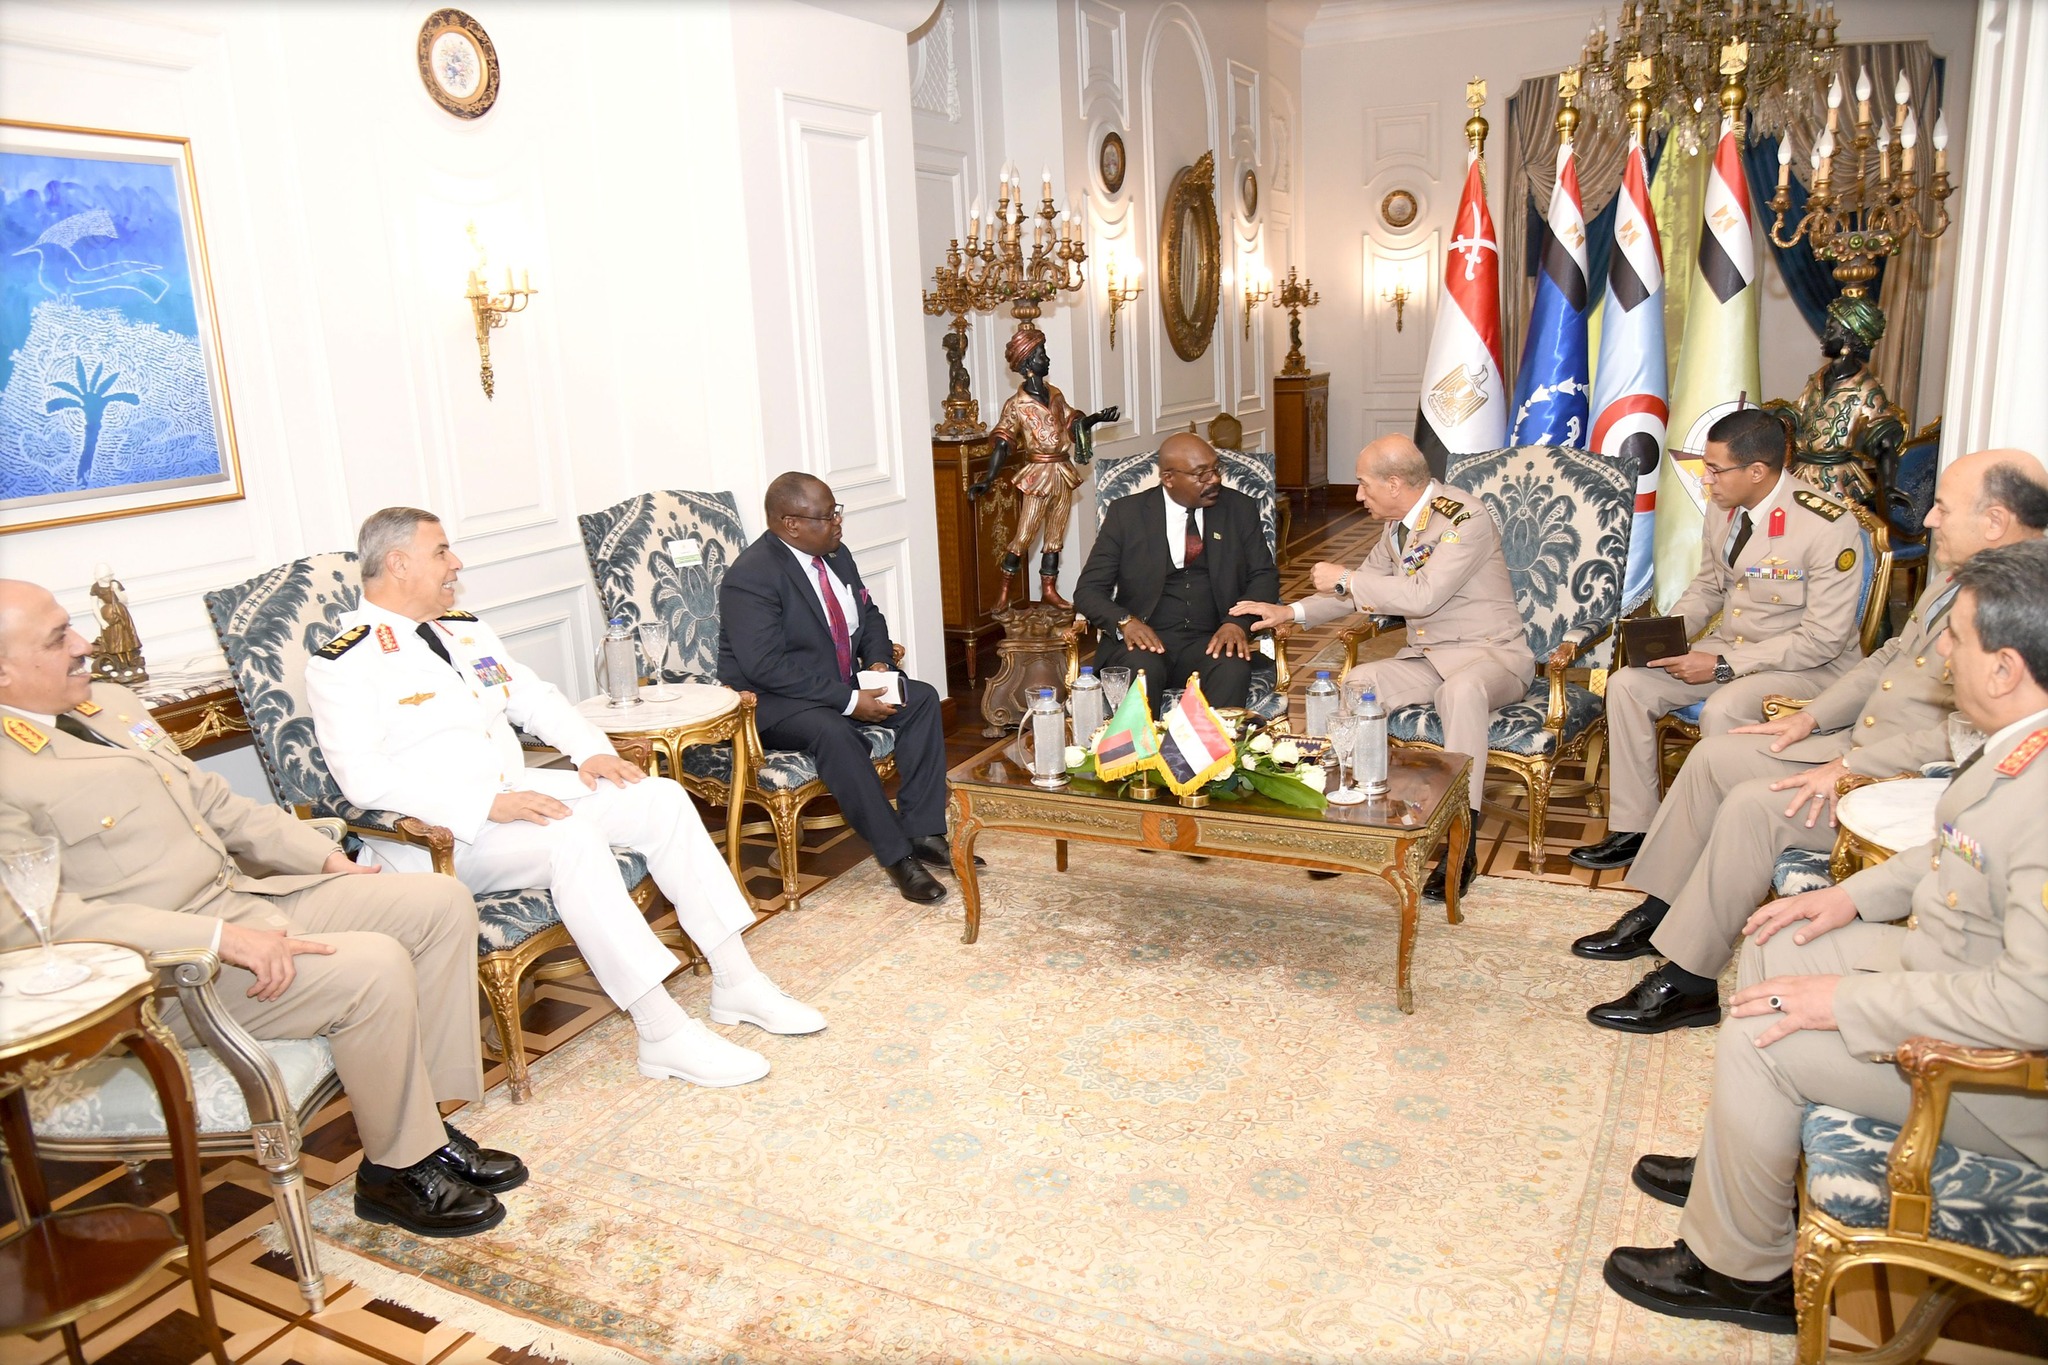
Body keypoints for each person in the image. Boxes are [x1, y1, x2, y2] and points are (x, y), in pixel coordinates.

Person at [1603, 539, 2048, 1334]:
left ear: (2007, 667)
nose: (1943, 651)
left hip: (1997, 1082)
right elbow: (1952, 850)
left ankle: (1741, 1273)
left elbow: (2027, 1006)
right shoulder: (2021, 744)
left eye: (1958, 638)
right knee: (1782, 936)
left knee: (1763, 1034)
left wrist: (1845, 1002)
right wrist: (1848, 897)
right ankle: (1747, 1175)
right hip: (1947, 967)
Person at [0, 578, 516, 1239]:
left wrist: (323, 858)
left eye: (72, 625)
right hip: (167, 969)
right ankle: (396, 1171)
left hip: (241, 898)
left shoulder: (110, 703)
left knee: (438, 902)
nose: (85, 643)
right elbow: (36, 922)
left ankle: (426, 1131)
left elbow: (216, 804)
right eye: (58, 638)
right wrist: (222, 938)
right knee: (374, 965)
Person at [307, 509, 823, 1093]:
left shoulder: (462, 630)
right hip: (445, 838)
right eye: (442, 552)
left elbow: (534, 699)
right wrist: (484, 805)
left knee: (659, 798)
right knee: (571, 839)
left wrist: (591, 752)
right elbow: (363, 780)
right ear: (398, 564)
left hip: (517, 798)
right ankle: (661, 1031)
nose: (456, 564)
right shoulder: (345, 664)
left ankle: (737, 980)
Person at [1570, 451, 2048, 1035]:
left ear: (1995, 521)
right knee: (1714, 756)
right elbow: (1888, 660)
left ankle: (1690, 983)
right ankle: (1661, 909)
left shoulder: (2027, 606)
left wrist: (1850, 762)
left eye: (1943, 508)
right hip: (1856, 738)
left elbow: (1968, 737)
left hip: (1902, 777)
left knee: (1753, 806)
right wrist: (1809, 719)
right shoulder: (1963, 578)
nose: (1927, 519)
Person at [1234, 433, 1533, 900]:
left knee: (1460, 691)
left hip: (1491, 656)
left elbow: (1421, 596)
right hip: (1430, 658)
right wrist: (1289, 612)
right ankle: (1348, 818)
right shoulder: (1398, 526)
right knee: (1358, 682)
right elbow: (1357, 592)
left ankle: (1461, 841)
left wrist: (1346, 576)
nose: (1358, 495)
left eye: (1363, 484)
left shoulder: (1464, 518)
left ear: (1394, 484)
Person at [1571, 407, 1865, 871]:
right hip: (1733, 646)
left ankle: (1719, 837)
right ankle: (1636, 827)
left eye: (1714, 469)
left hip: (1807, 666)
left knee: (1723, 707)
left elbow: (1823, 639)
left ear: (1757, 471)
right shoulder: (1724, 505)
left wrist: (1722, 665)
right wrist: (1667, 634)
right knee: (1628, 685)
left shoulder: (1826, 525)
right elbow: (1710, 586)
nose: (1706, 480)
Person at [717, 473, 961, 905]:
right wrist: (849, 701)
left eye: (837, 513)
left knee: (922, 698)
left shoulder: (835, 554)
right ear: (791, 524)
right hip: (774, 702)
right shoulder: (752, 576)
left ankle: (923, 831)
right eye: (827, 516)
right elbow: (764, 666)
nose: (838, 523)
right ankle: (897, 857)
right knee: (834, 731)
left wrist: (879, 663)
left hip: (835, 682)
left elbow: (869, 614)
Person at [1071, 432, 1279, 713]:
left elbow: (1264, 576)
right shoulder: (1127, 514)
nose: (1214, 480)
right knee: (1141, 669)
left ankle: (1219, 743)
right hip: (1146, 640)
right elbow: (1088, 590)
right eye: (1201, 474)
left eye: (1216, 469)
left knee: (1232, 667)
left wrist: (1236, 623)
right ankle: (1141, 743)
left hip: (1212, 636)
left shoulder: (1238, 508)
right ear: (1168, 478)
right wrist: (1125, 622)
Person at [967, 325, 1119, 610]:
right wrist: (988, 478)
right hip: (1037, 475)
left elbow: (1073, 423)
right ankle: (1004, 592)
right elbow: (1002, 444)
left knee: (1055, 536)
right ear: (1027, 364)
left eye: (1044, 352)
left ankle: (1049, 590)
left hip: (1062, 472)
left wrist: (1096, 418)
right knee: (1024, 535)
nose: (1046, 358)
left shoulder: (1056, 394)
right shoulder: (1016, 405)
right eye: (1040, 354)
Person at [1778, 294, 1906, 511]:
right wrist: (1779, 420)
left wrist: (1888, 485)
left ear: (1848, 337)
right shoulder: (1819, 377)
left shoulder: (1866, 389)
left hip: (1837, 483)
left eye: (1831, 330)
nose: (1824, 336)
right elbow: (1799, 412)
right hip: (1800, 474)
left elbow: (1884, 442)